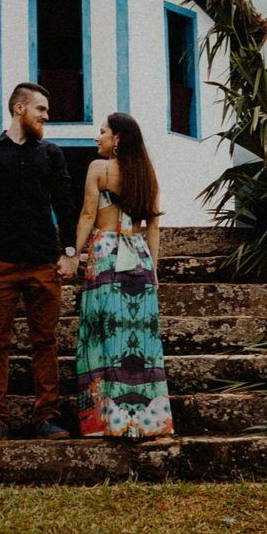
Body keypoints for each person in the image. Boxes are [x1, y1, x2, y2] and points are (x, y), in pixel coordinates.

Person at [0, 82, 77, 443]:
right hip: (0, 265)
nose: (47, 116)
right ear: (19, 109)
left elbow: (64, 204)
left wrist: (70, 251)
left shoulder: (51, 154)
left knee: (44, 341)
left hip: (43, 263)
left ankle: (47, 417)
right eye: (41, 109)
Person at [72, 111, 174, 439]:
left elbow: (89, 213)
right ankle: (147, 421)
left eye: (102, 131)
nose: (96, 137)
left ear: (117, 138)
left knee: (103, 335)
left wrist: (74, 253)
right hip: (139, 256)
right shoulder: (147, 173)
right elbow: (153, 226)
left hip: (107, 254)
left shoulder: (98, 168)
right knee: (140, 341)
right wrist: (154, 270)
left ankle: (104, 421)